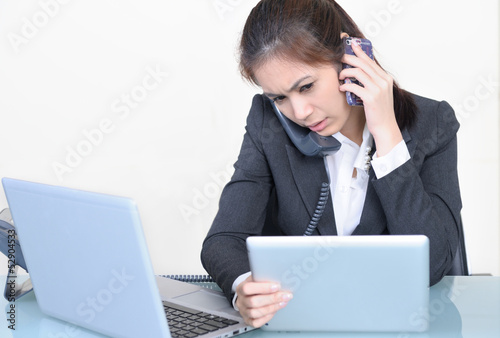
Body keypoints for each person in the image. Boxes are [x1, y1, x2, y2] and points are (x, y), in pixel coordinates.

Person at [201, 0, 462, 328]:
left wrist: (386, 137)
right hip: (299, 323)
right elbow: (224, 239)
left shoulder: (432, 123)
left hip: (396, 324)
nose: (299, 112)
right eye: (279, 97)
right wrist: (243, 289)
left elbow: (433, 264)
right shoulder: (269, 123)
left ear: (350, 58)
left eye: (306, 86)